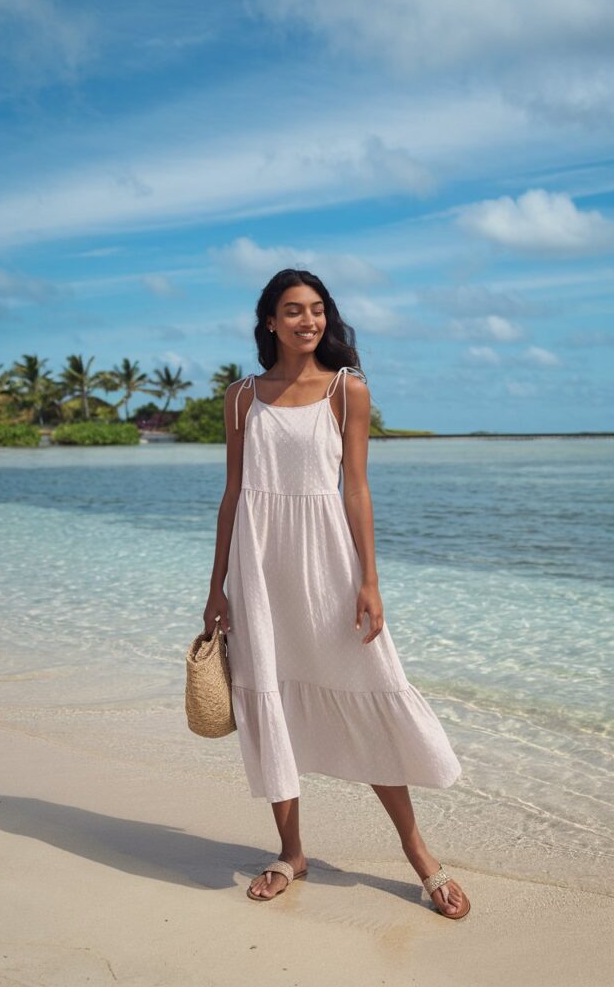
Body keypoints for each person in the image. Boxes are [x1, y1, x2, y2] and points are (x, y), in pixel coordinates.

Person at [203, 268, 470, 919]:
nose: (309, 321)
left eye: (317, 309)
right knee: (270, 696)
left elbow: (356, 488)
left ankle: (418, 853)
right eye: (294, 310)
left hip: (328, 564)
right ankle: (290, 852)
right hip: (259, 568)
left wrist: (369, 581)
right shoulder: (241, 398)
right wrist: (217, 587)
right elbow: (233, 494)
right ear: (269, 321)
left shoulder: (348, 389)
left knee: (366, 693)